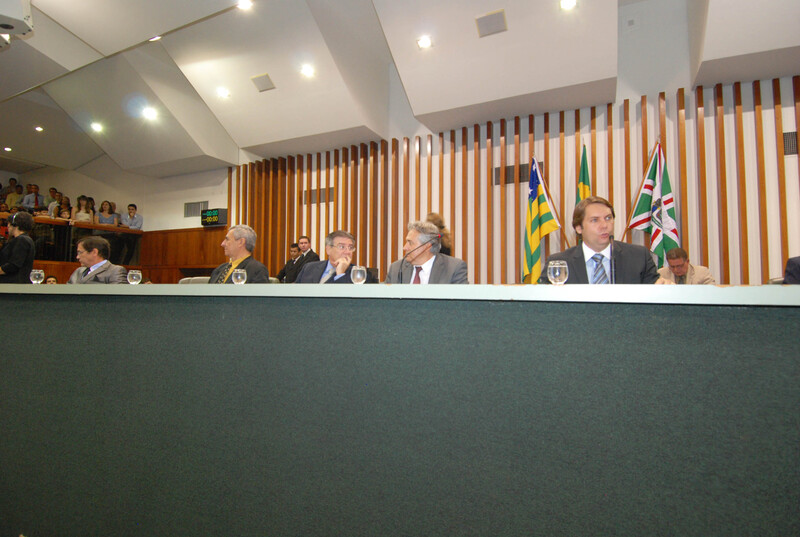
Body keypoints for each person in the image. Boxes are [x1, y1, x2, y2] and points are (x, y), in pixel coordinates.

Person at [539, 196, 664, 284]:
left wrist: (665, 287)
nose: (604, 225)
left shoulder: (639, 257)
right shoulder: (559, 263)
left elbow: (656, 296)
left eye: (608, 218)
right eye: (595, 220)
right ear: (579, 228)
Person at [385, 220, 469, 284]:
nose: (405, 247)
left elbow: (461, 300)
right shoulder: (396, 268)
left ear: (427, 246)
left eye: (410, 243)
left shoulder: (453, 269)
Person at [295, 230, 376, 283]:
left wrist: (340, 274)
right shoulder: (308, 268)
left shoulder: (359, 275)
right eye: (342, 247)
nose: (347, 251)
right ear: (328, 249)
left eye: (350, 247)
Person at [0, 211, 35, 283]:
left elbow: (14, 265)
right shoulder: (24, 239)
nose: (8, 226)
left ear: (15, 224)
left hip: (13, 284)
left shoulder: (22, 240)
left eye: (9, 223)